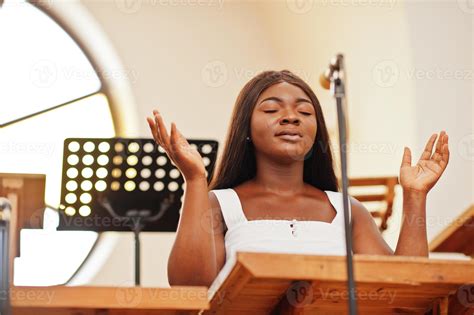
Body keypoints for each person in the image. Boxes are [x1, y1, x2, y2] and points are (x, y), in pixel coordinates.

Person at [146, 70, 450, 287]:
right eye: (271, 109)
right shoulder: (222, 205)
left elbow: (405, 285)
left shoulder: (347, 211)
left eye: (304, 111)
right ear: (246, 129)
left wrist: (415, 196)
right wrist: (196, 179)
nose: (291, 117)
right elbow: (190, 286)